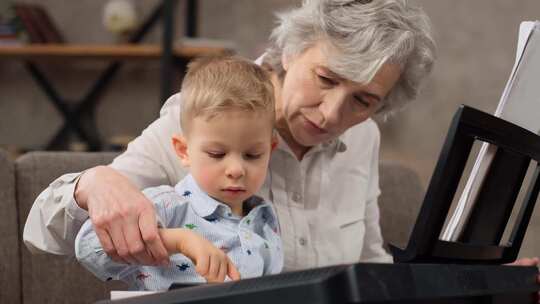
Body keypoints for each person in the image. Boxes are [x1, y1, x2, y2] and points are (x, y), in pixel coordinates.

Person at [22, 0, 539, 276]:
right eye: (327, 79)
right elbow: (45, 233)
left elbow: (371, 264)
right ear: (291, 50)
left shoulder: (362, 141)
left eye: (363, 101)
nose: (333, 113)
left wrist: (480, 280)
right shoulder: (211, 116)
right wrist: (93, 185)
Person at [75, 56, 283, 290]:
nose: (236, 170)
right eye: (217, 154)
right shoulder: (166, 206)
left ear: (270, 150)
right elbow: (87, 247)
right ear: (183, 151)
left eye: (253, 155)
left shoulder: (265, 219)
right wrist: (178, 240)